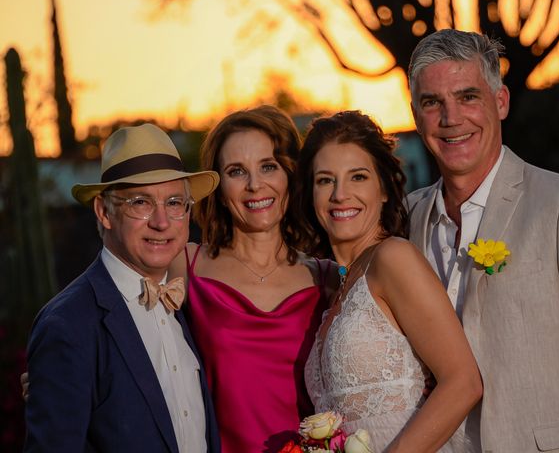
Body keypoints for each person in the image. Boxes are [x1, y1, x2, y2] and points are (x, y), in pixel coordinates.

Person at [406, 28, 559, 452]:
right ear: (415, 113)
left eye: (468, 96)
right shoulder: (407, 218)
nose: (450, 118)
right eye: (432, 102)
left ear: (501, 101)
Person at [24, 124, 221, 453]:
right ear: (104, 212)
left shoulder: (183, 305)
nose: (161, 222)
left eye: (174, 202)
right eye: (141, 202)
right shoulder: (67, 325)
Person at [294, 110, 482, 452]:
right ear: (310, 194)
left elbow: (463, 383)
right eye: (325, 180)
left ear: (383, 188)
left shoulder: (393, 258)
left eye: (358, 177)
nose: (340, 194)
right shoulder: (336, 286)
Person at [168, 106, 333, 452]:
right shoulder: (186, 263)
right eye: (236, 171)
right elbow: (116, 312)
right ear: (218, 187)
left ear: (290, 175)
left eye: (268, 166)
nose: (255, 185)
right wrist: (69, 368)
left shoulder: (327, 279)